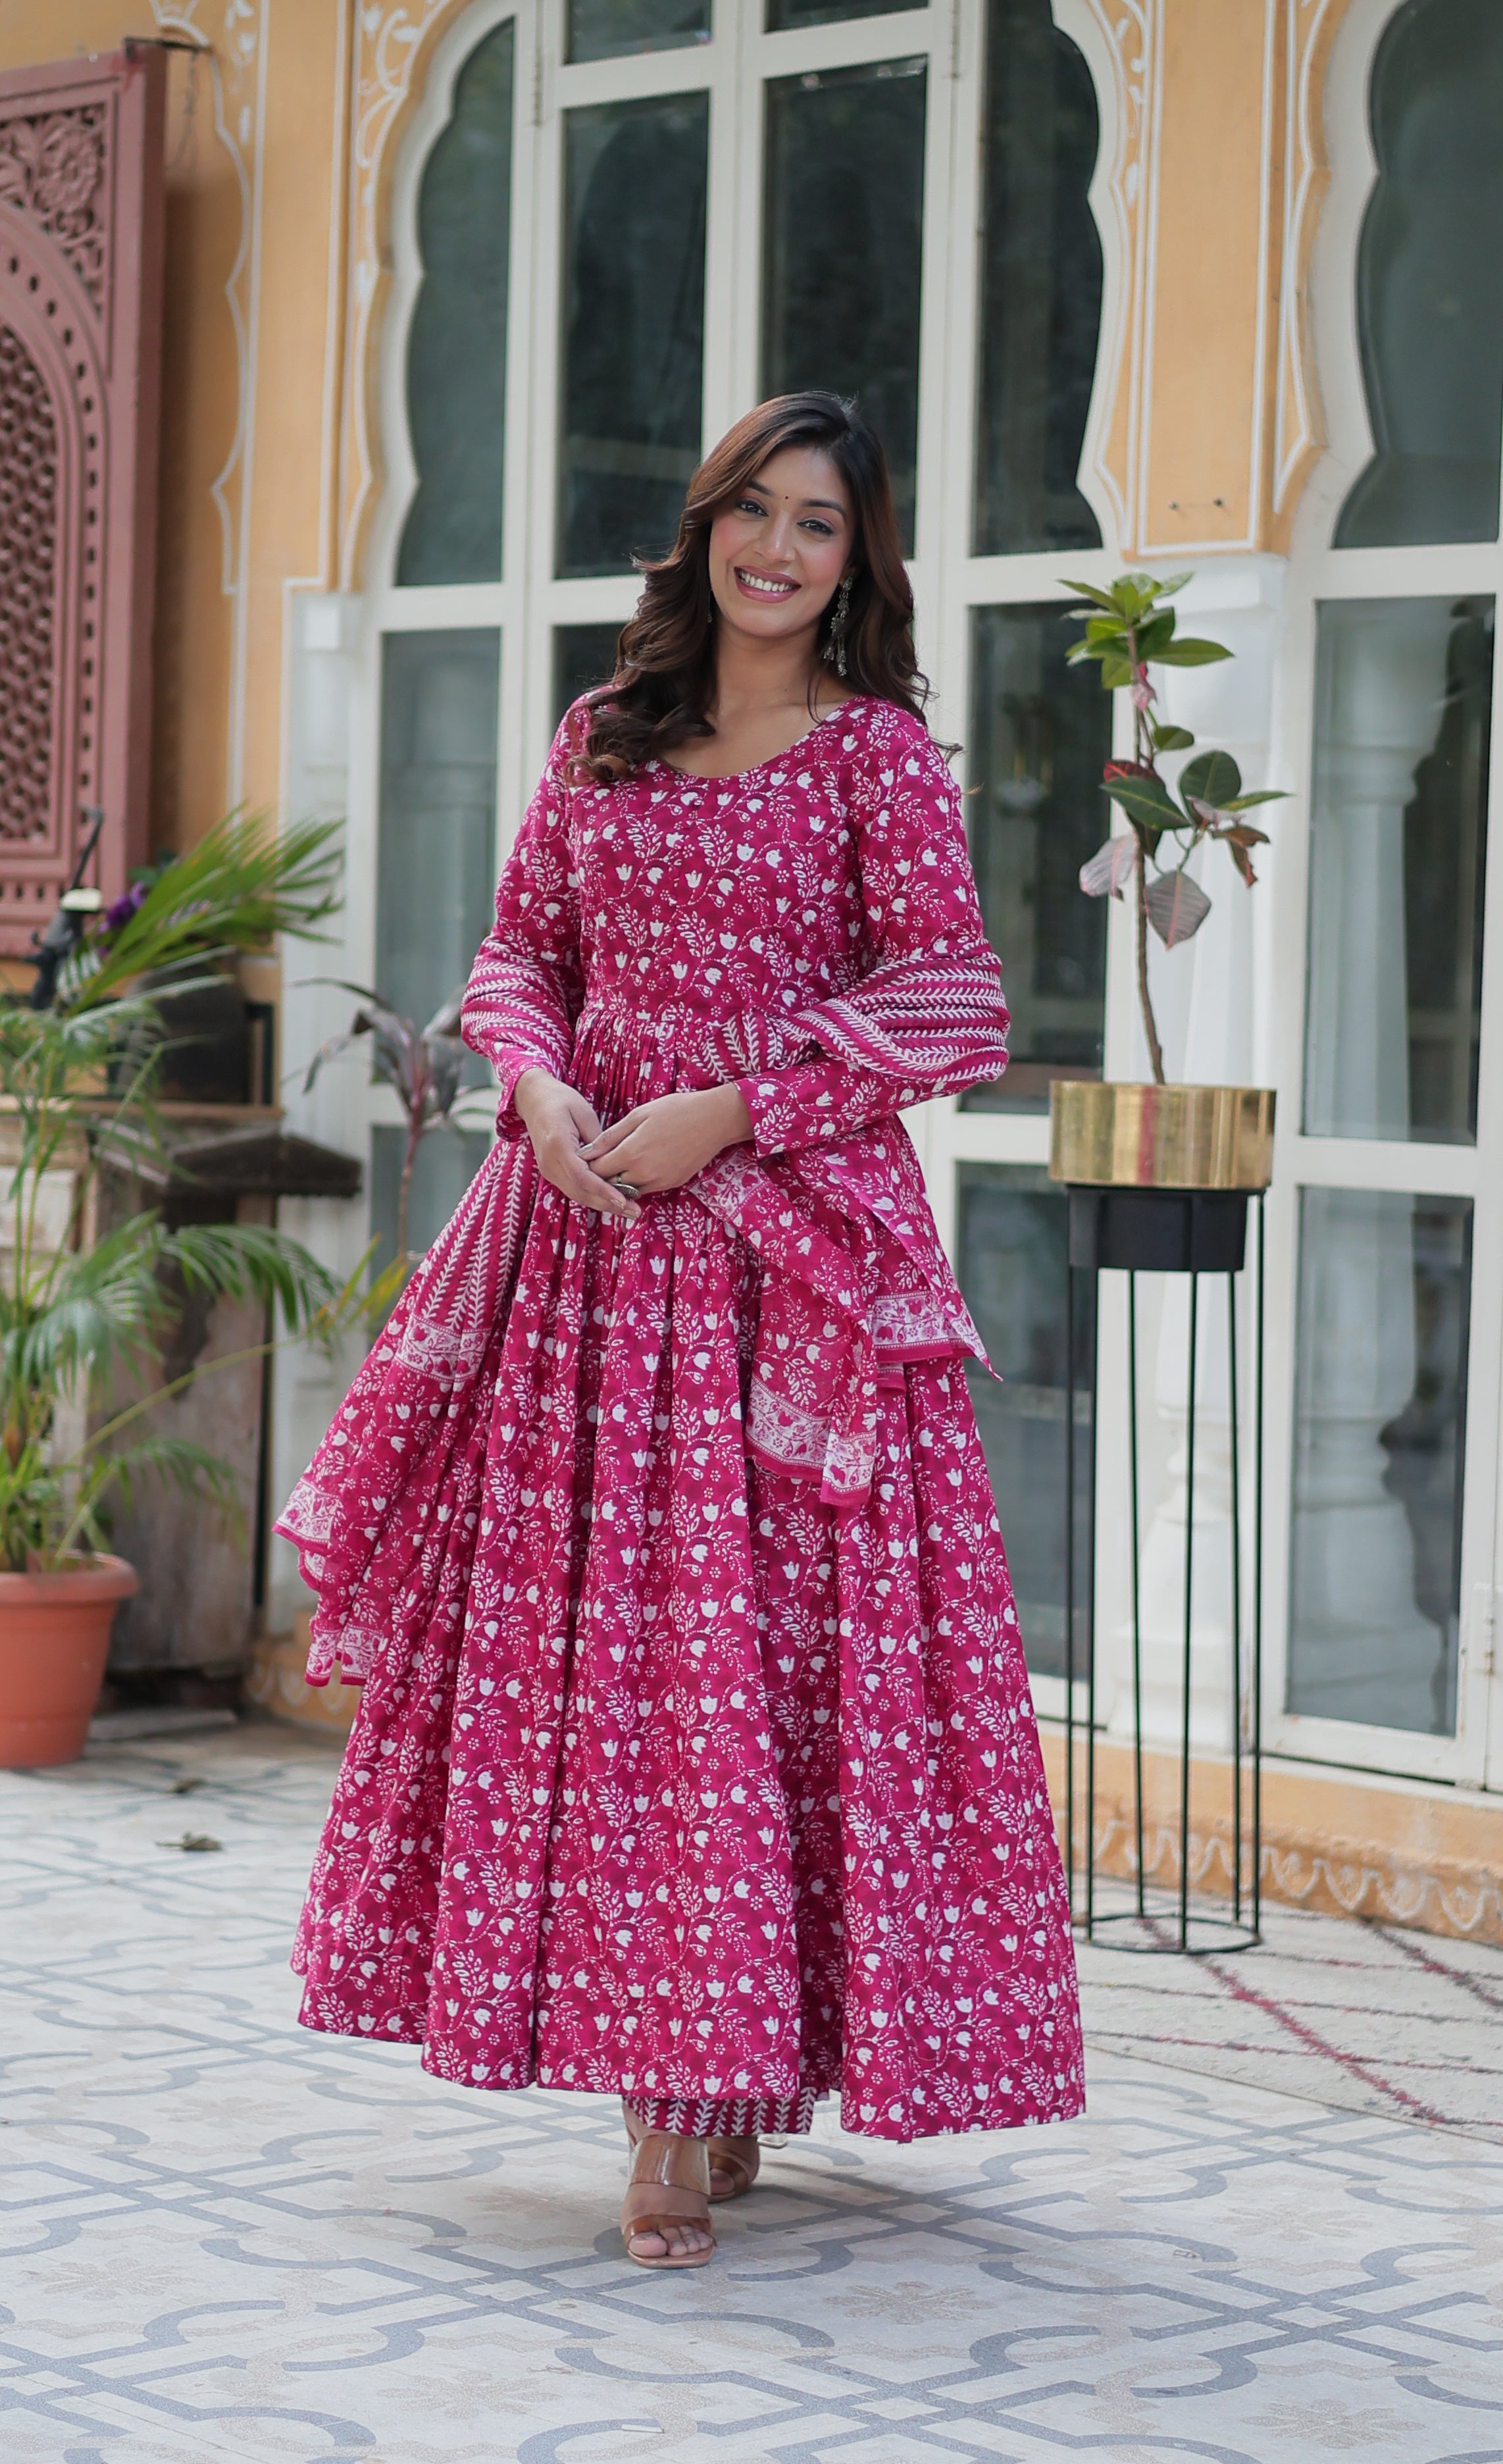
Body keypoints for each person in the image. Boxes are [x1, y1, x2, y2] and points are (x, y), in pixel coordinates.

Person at [276, 392, 1084, 2270]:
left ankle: (703, 2100)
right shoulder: (606, 732)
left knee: (761, 1682)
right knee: (626, 1688)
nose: (780, 551)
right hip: (580, 1265)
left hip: (786, 1275)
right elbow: (517, 956)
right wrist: (540, 1091)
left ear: (858, 561)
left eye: (821, 526)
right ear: (705, 525)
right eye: (754, 511)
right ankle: (670, 2093)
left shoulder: (877, 758)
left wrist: (737, 1107)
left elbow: (956, 999)